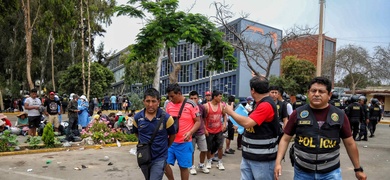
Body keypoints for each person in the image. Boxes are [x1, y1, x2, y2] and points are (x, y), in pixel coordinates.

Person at [274, 77, 367, 180]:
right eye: (313, 91)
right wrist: (278, 162)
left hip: (331, 173)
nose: (317, 94)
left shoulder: (339, 115)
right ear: (308, 93)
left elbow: (350, 143)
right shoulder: (298, 113)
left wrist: (358, 169)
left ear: (329, 95)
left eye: (321, 91)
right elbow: (285, 139)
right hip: (303, 172)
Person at [224, 75, 279, 180]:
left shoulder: (266, 105)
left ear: (252, 90)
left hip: (262, 159)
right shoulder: (259, 103)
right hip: (250, 156)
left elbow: (248, 123)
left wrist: (230, 112)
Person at [133, 88, 176, 180]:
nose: (150, 104)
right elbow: (137, 133)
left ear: (158, 102)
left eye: (153, 101)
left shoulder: (167, 118)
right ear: (143, 101)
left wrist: (165, 146)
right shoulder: (137, 118)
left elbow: (172, 135)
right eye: (148, 101)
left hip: (160, 157)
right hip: (144, 157)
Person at [164, 84, 201, 180]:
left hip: (184, 143)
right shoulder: (169, 105)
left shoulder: (191, 104)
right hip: (170, 142)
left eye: (172, 96)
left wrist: (190, 132)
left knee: (183, 168)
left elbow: (198, 121)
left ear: (179, 93)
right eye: (169, 96)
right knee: (163, 163)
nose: (170, 98)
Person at [203, 90, 227, 171]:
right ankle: (209, 161)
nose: (221, 98)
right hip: (209, 131)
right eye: (220, 96)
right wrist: (204, 129)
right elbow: (202, 118)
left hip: (219, 130)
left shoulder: (221, 106)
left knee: (220, 147)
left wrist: (224, 124)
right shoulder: (206, 106)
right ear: (215, 97)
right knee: (209, 148)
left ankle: (220, 162)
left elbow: (224, 115)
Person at [188, 90, 210, 175]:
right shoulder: (186, 107)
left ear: (198, 99)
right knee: (191, 151)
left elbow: (204, 119)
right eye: (191, 98)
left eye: (195, 98)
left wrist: (205, 128)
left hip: (201, 132)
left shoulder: (202, 107)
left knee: (204, 149)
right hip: (191, 133)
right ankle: (191, 166)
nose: (193, 100)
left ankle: (201, 165)